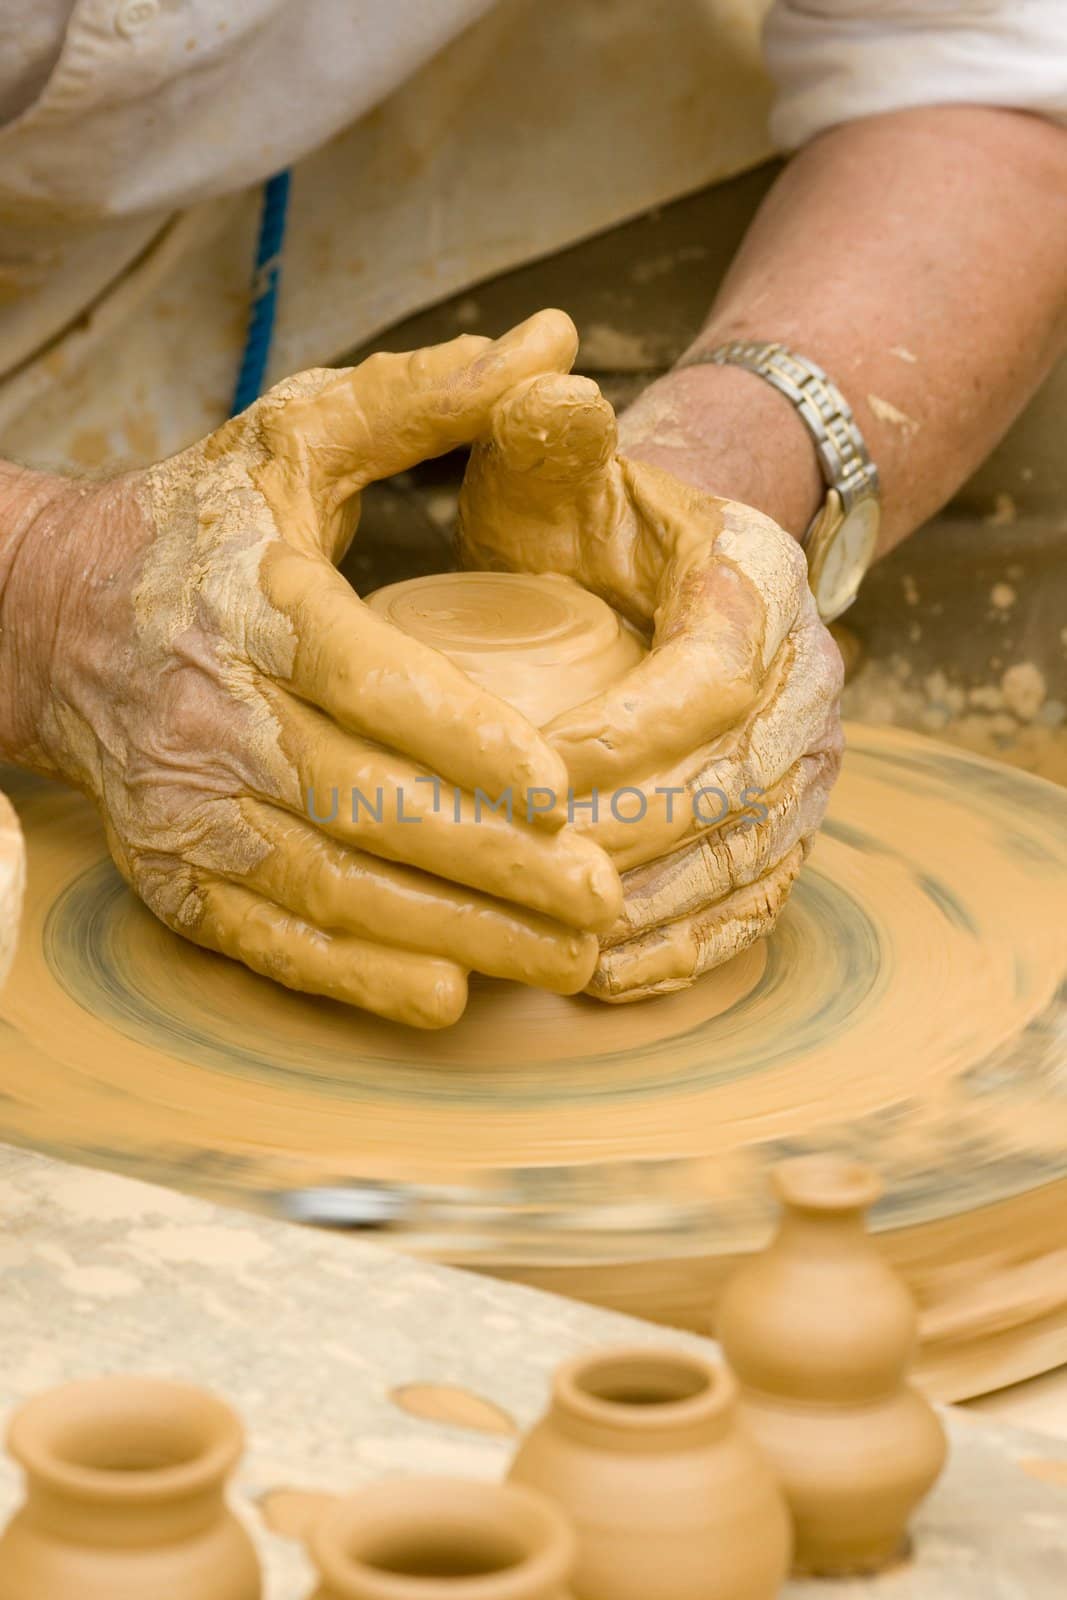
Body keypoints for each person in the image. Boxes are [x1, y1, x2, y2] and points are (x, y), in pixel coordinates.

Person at [0, 1, 1065, 1026]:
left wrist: (713, 474)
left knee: (1018, 473)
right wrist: (44, 587)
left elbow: (978, 61)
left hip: (348, 136)